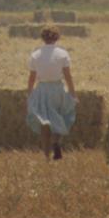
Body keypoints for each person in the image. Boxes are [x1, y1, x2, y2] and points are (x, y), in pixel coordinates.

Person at [26, 25, 78, 161]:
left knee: (44, 123)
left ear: (42, 38)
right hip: (57, 89)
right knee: (60, 117)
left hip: (42, 90)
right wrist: (73, 93)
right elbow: (68, 76)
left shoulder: (35, 55)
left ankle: (46, 156)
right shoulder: (62, 54)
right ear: (57, 37)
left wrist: (30, 94)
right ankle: (56, 142)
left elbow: (32, 77)